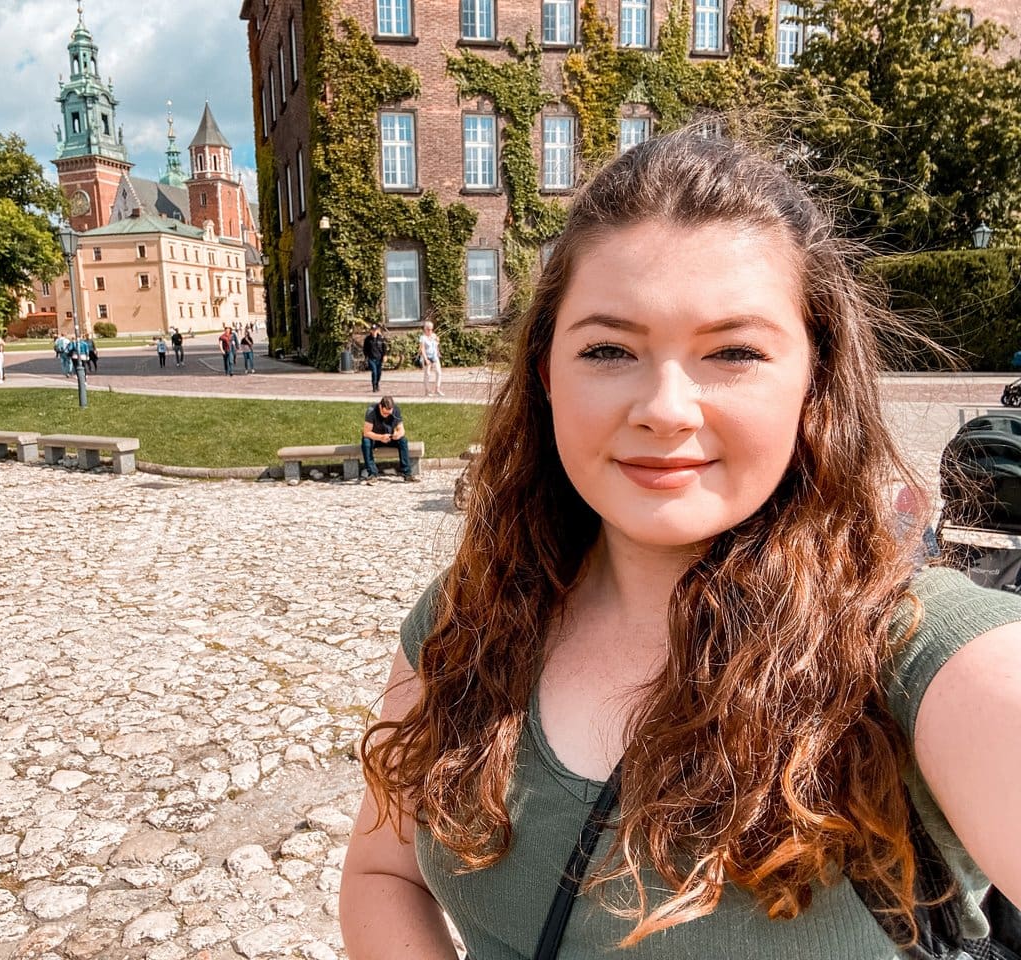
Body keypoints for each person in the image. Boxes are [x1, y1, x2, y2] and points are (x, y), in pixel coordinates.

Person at [341, 131, 1021, 960]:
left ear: (816, 378)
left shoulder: (912, 650)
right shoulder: (468, 612)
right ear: (549, 372)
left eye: (732, 352)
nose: (666, 407)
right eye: (609, 349)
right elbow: (384, 872)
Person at [360, 395, 417, 484]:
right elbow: (366, 432)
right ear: (380, 406)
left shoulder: (396, 410)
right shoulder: (371, 411)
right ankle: (372, 474)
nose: (387, 415)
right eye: (384, 413)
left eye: (389, 413)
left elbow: (402, 430)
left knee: (403, 440)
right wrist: (380, 437)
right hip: (375, 438)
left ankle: (407, 474)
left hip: (389, 437)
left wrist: (398, 435)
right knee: (366, 441)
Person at [418, 319, 443, 396]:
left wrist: (438, 352)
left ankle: (437, 389)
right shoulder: (423, 338)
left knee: (439, 372)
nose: (430, 331)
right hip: (427, 357)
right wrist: (426, 359)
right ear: (425, 329)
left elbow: (436, 345)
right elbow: (422, 349)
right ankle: (427, 391)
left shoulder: (434, 336)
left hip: (434, 356)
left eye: (431, 329)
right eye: (428, 329)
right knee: (427, 374)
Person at [363, 323, 387, 393]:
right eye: (372, 330)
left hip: (379, 359)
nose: (374, 331)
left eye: (375, 330)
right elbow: (365, 349)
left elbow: (384, 347)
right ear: (371, 331)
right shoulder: (367, 339)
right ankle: (374, 386)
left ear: (377, 330)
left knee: (379, 373)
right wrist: (366, 356)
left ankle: (377, 384)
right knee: (374, 372)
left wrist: (385, 355)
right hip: (371, 358)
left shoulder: (381, 338)